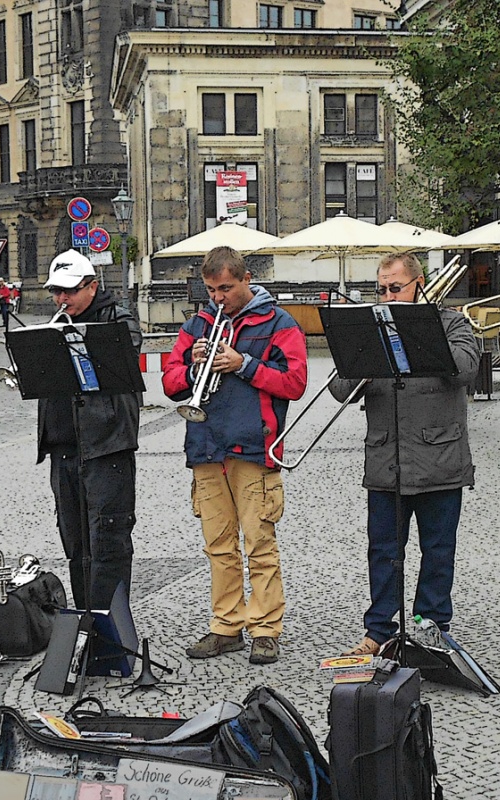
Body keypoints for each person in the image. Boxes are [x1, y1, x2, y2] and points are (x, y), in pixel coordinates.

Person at [162, 246, 308, 665]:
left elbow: (295, 382)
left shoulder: (278, 323)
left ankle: (264, 628)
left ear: (246, 279)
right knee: (218, 545)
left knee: (259, 542)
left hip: (254, 446)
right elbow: (171, 381)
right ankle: (226, 626)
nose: (218, 298)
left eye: (226, 288)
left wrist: (244, 364)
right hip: (207, 447)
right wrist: (192, 369)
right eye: (211, 290)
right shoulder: (198, 324)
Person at [330, 252, 480, 656]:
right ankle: (378, 629)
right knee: (383, 552)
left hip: (439, 461)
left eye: (395, 288)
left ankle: (430, 628)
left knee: (437, 550)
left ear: (418, 284)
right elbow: (340, 390)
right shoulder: (371, 329)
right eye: (381, 289)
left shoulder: (451, 323)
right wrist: (365, 346)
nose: (388, 295)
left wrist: (416, 335)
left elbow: (467, 368)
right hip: (386, 461)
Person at [36, 250, 142, 612]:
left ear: (93, 286)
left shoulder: (119, 319)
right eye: (56, 292)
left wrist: (73, 340)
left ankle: (111, 632)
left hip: (106, 447)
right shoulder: (53, 322)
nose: (60, 300)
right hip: (63, 449)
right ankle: (83, 621)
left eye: (68, 291)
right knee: (75, 544)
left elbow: (127, 352)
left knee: (108, 540)